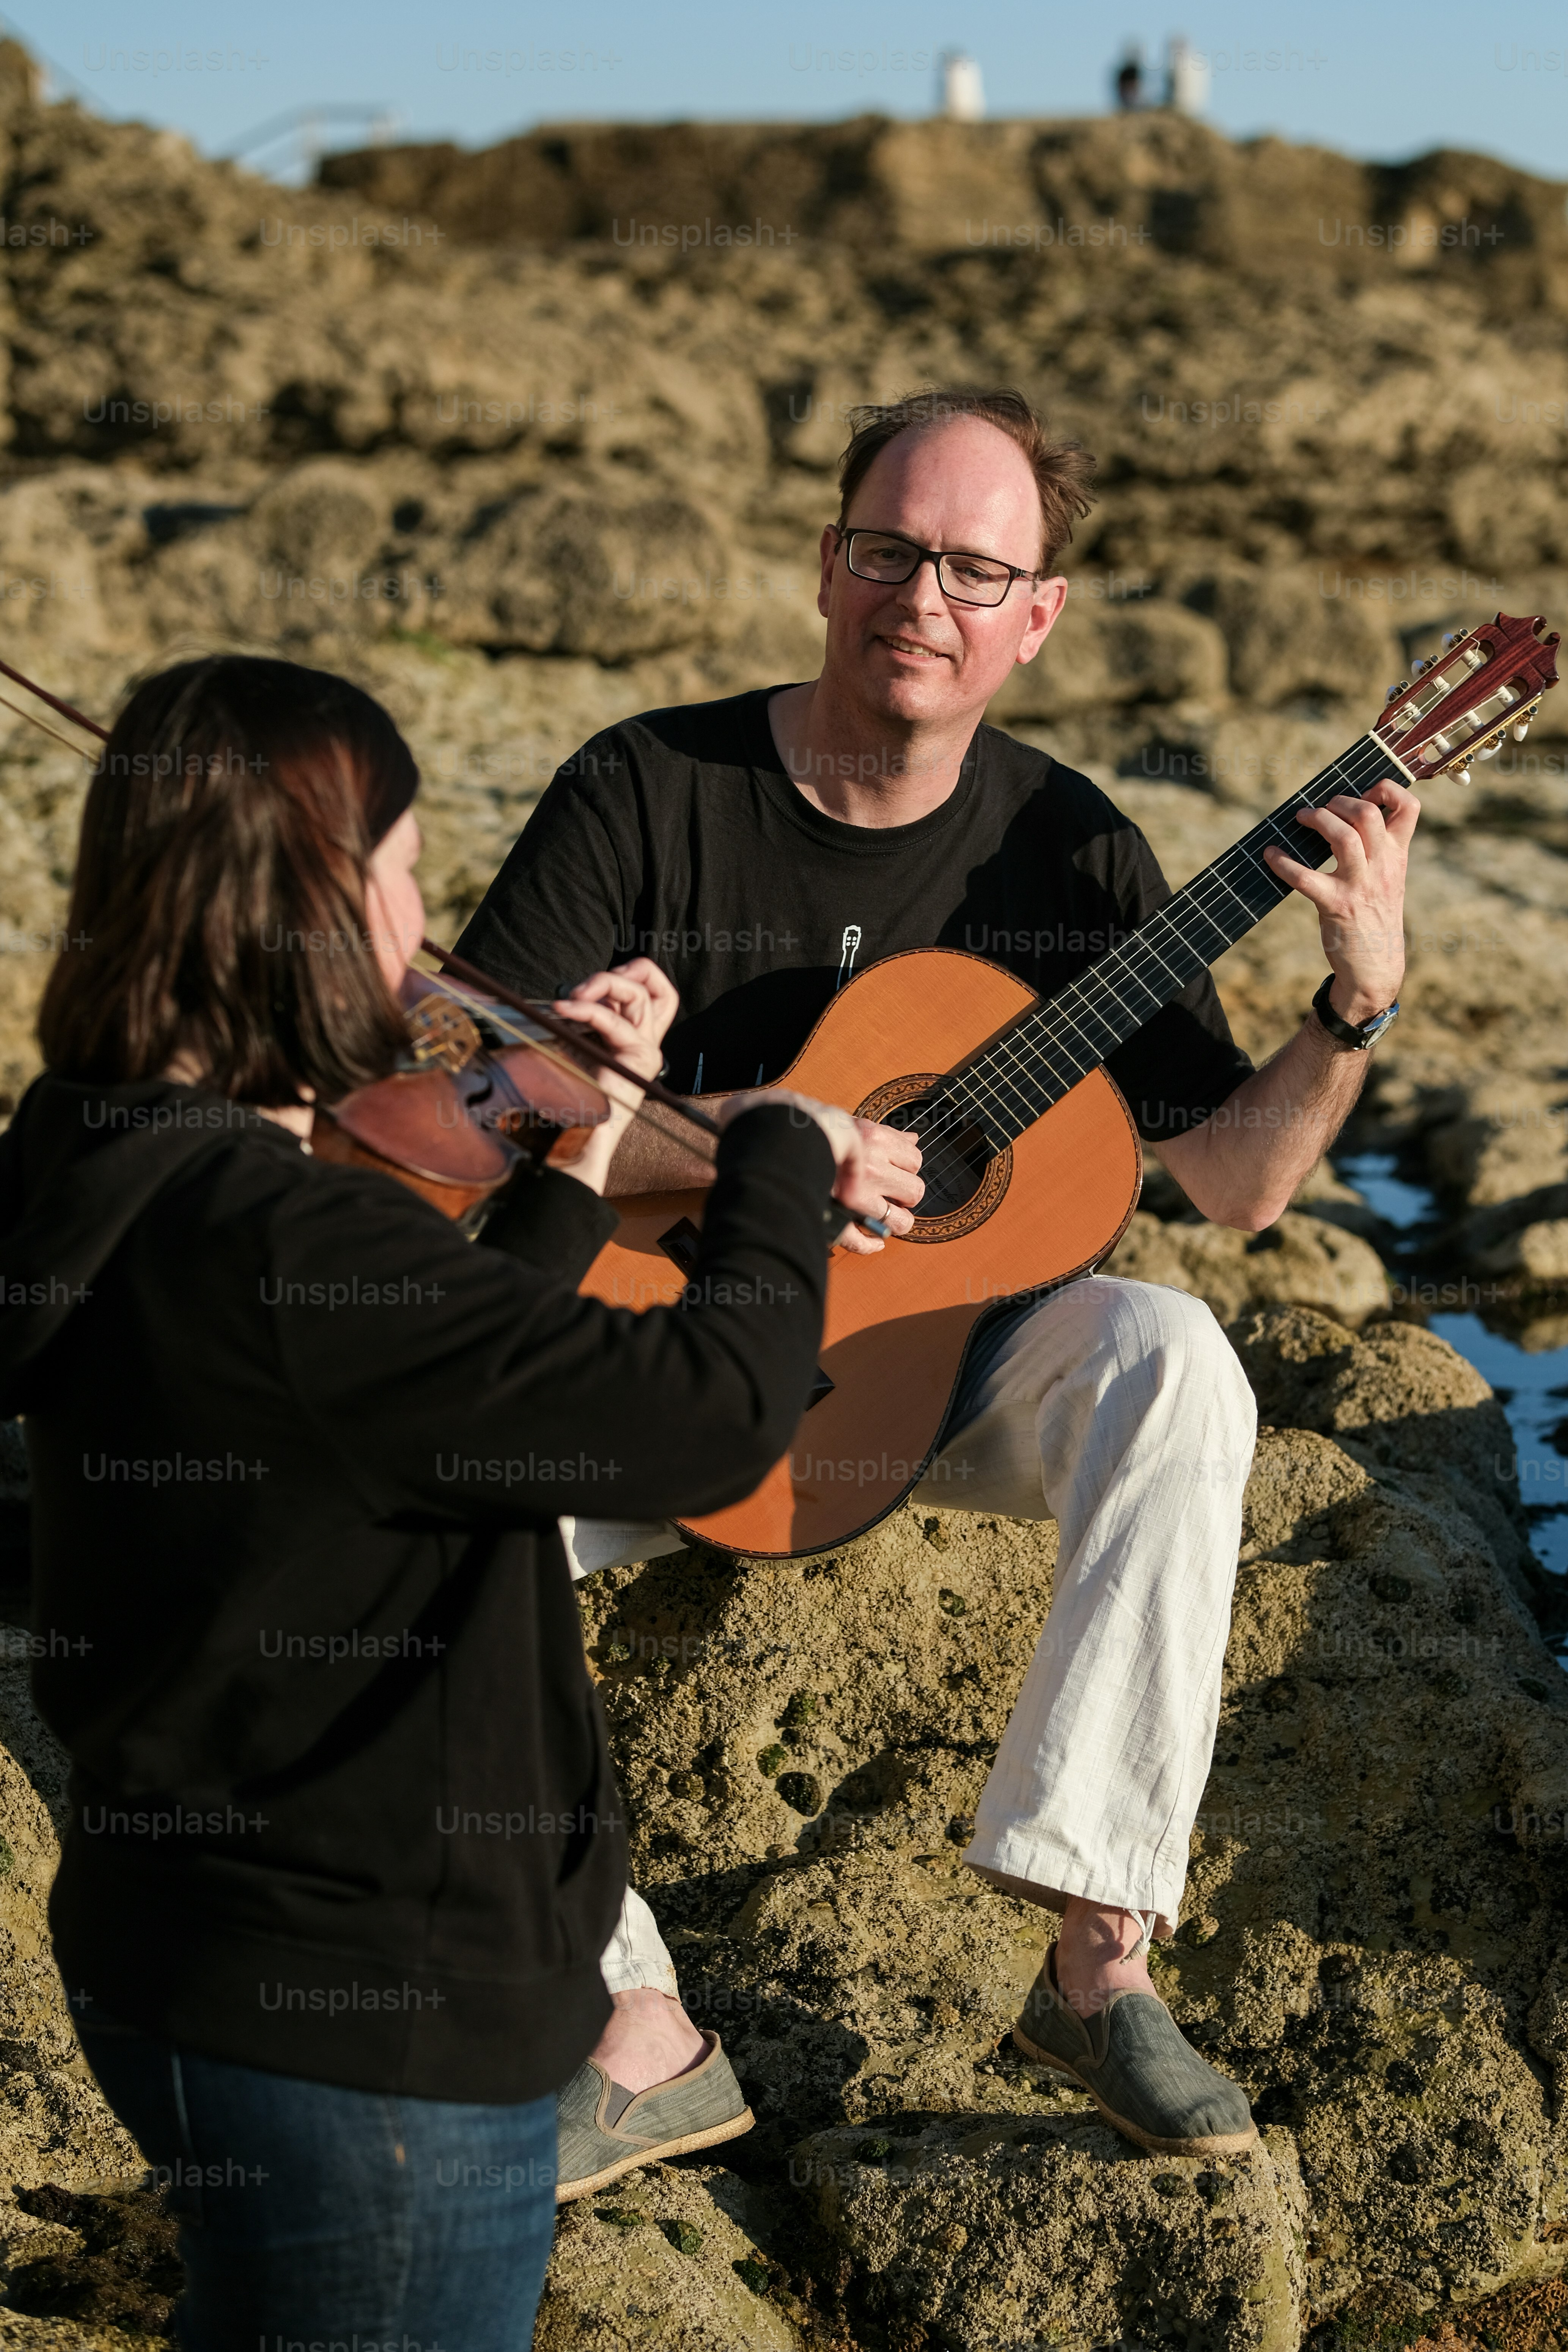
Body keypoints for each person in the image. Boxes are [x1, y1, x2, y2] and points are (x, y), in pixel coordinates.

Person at [455, 386, 1417, 2173]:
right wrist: (744, 1138)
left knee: (1177, 1355)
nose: (924, 595)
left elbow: (1230, 1181)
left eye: (976, 568)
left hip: (919, 1364)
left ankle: (1097, 1952)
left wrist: (1349, 998)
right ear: (827, 567)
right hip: (651, 1351)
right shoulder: (645, 784)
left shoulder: (1069, 852)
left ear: (1035, 616)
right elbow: (470, 1097)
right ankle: (635, 2017)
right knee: (424, 1503)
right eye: (889, 550)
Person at [0, 654, 884, 2349]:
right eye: (402, 867)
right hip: (367, 2041)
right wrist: (772, 1161)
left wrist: (573, 1157)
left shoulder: (98, 1151)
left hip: (182, 1963)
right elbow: (704, 1420)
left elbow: (418, 1399)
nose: (424, 926)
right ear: (312, 900)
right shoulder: (288, 1238)